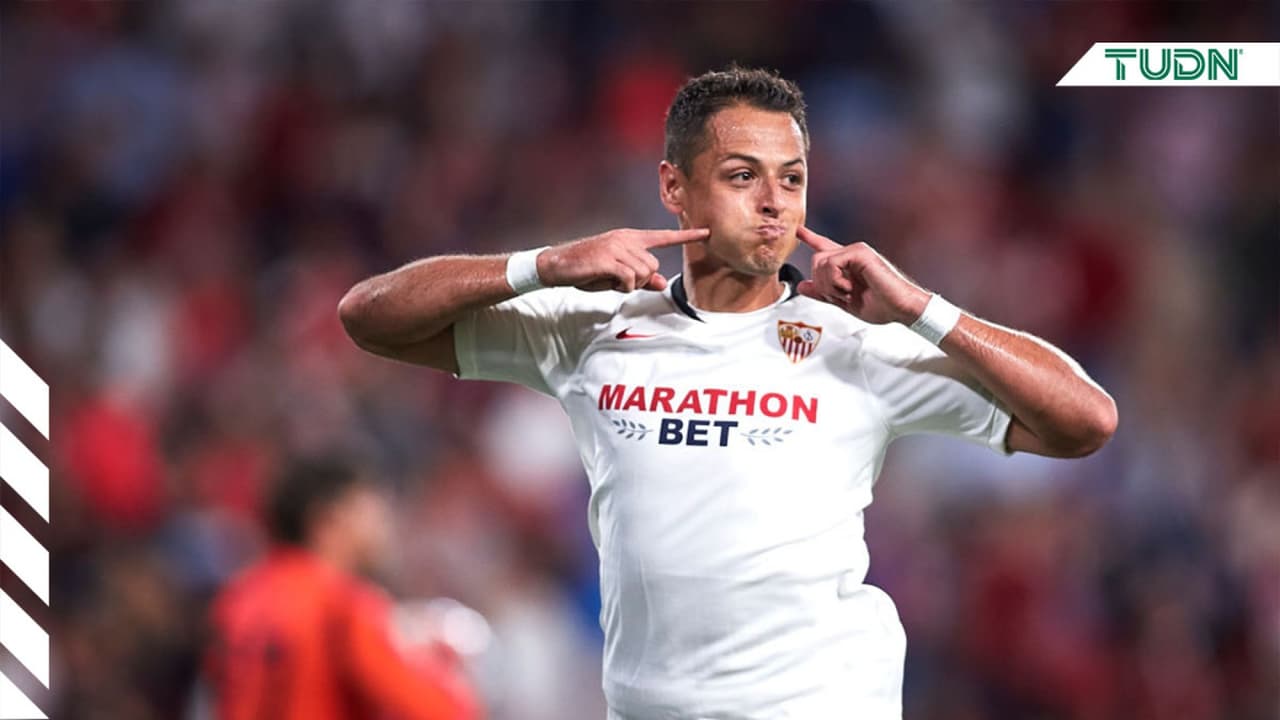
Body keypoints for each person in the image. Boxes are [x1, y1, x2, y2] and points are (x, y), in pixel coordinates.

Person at [337, 67, 1117, 719]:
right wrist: (542, 265)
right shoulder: (595, 327)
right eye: (743, 176)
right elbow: (371, 319)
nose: (774, 202)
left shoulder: (860, 341)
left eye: (792, 179)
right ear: (674, 187)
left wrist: (919, 308)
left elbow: (1085, 421)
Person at [204, 457, 480, 720]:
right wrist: (439, 657)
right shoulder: (343, 604)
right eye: (371, 511)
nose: (383, 525)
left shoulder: (236, 598)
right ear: (330, 519)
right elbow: (442, 712)